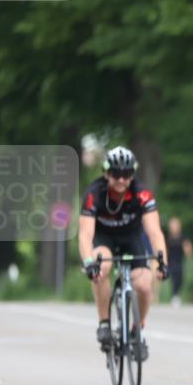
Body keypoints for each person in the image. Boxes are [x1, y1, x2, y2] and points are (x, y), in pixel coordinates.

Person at [78, 146, 168, 361]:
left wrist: (163, 262)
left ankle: (138, 330)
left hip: (131, 239)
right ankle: (104, 323)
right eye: (116, 174)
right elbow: (85, 235)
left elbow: (155, 232)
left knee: (145, 287)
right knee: (102, 268)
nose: (121, 179)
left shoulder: (142, 193)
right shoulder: (94, 194)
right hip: (104, 239)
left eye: (126, 174)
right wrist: (89, 262)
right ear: (106, 173)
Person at [165, 216, 193, 306]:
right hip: (171, 263)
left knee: (180, 279)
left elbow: (188, 249)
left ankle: (177, 295)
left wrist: (187, 251)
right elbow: (165, 249)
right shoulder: (168, 238)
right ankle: (174, 296)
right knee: (173, 279)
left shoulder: (182, 238)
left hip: (179, 262)